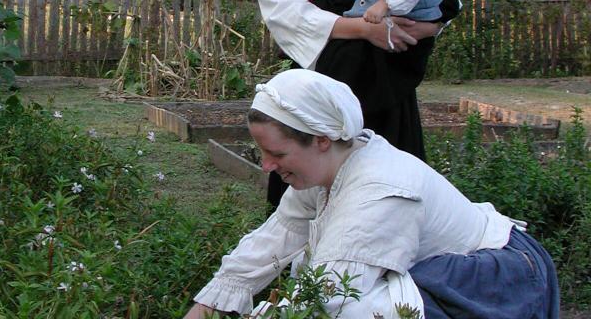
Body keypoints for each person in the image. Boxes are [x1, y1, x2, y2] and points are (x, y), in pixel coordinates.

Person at [183, 69, 560, 319]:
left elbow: (327, 298)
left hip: (497, 278)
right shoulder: (327, 169)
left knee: (364, 309)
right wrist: (204, 307)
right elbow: (275, 238)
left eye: (277, 154)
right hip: (443, 267)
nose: (266, 165)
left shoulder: (380, 191)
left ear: (322, 140)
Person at [253, 0, 460, 210]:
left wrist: (424, 28)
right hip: (319, 89)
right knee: (307, 202)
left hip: (385, 85)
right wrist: (365, 29)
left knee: (389, 193)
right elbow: (289, 17)